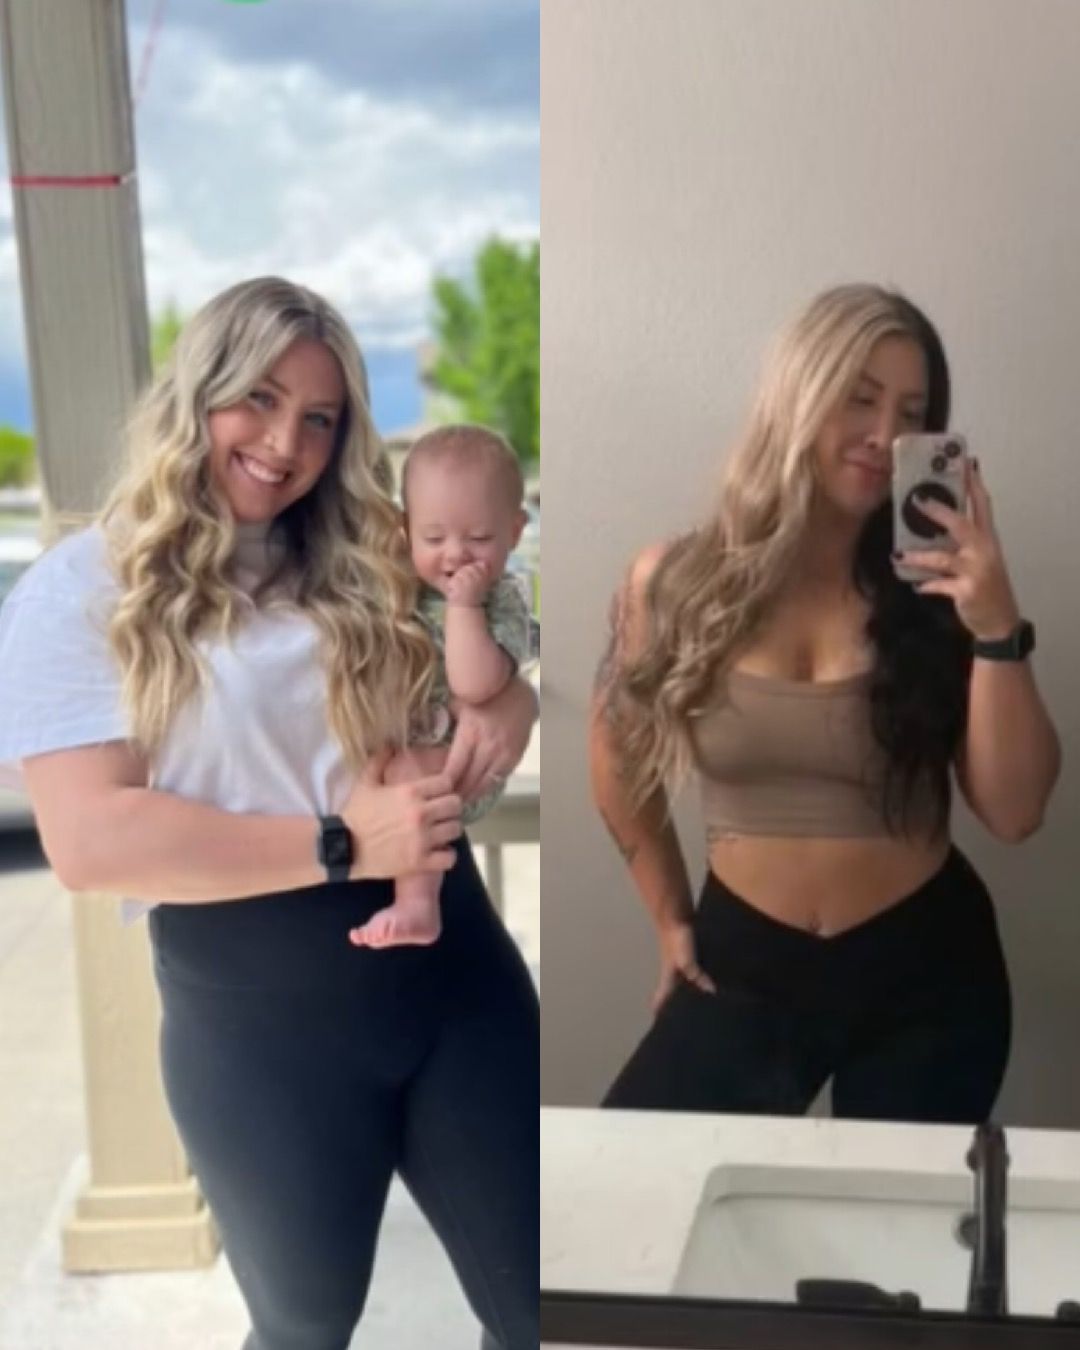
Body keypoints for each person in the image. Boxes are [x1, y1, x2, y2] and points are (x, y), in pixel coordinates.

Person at [0, 277, 538, 1350]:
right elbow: (91, 841)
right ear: (198, 392)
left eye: (320, 418)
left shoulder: (364, 553)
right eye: (257, 398)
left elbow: (481, 624)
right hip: (260, 1022)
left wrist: (512, 701)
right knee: (305, 1327)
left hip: (455, 974)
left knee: (535, 1304)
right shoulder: (79, 592)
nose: (285, 442)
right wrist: (346, 842)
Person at [592, 282, 1060, 1125]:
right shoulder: (673, 583)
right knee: (633, 1204)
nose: (885, 437)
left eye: (912, 411)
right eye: (860, 398)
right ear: (799, 396)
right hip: (744, 962)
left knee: (896, 1240)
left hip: (929, 970)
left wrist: (996, 627)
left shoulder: (943, 590)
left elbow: (1016, 810)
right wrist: (669, 919)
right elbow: (617, 759)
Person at [349, 423, 531, 948]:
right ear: (406, 531)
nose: (454, 555)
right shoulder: (399, 580)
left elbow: (474, 686)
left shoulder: (500, 601)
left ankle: (418, 904)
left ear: (515, 532)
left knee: (411, 774)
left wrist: (464, 608)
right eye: (434, 538)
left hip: (454, 760)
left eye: (478, 539)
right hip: (396, 740)